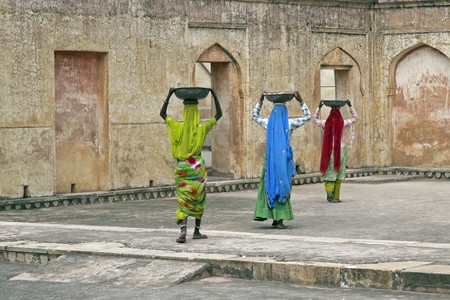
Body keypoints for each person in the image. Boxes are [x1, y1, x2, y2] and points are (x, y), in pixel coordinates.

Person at [160, 87, 222, 243]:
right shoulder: (201, 128)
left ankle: (183, 230)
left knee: (183, 199)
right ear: (197, 113)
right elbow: (219, 115)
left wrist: (169, 94)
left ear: (185, 112)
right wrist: (214, 94)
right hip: (197, 168)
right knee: (198, 199)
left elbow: (162, 114)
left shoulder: (177, 126)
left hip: (183, 168)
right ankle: (197, 231)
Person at [252, 91, 311, 229]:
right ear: (285, 111)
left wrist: (260, 101)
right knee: (283, 184)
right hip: (284, 161)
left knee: (270, 184)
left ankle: (274, 217)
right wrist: (301, 101)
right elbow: (307, 116)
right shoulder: (289, 123)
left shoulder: (268, 123)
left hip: (271, 161)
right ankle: (279, 220)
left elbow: (255, 116)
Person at [312, 99, 357, 203]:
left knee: (329, 172)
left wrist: (319, 107)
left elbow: (314, 119)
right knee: (338, 173)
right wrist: (350, 106)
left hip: (328, 152)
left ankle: (329, 191)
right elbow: (355, 118)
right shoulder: (343, 123)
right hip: (341, 152)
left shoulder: (325, 123)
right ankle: (335, 197)